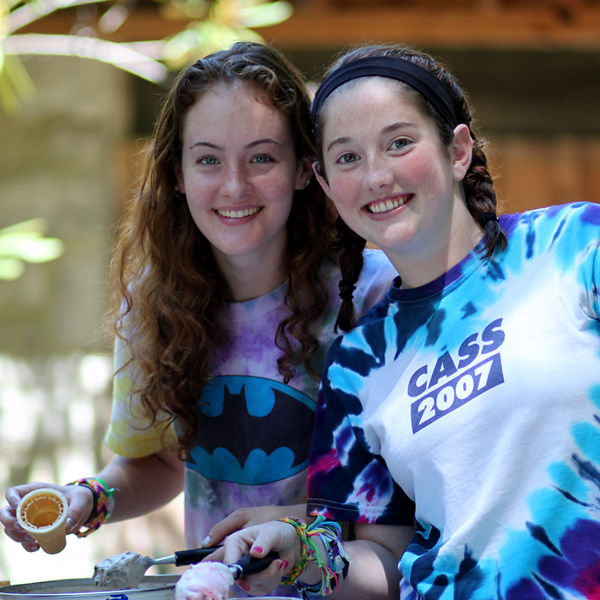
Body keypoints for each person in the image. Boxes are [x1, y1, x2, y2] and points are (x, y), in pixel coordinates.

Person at [0, 41, 396, 594]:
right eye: (208, 158)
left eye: (262, 157)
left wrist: (297, 525)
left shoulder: (373, 293)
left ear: (305, 169)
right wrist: (88, 498)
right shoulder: (152, 303)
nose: (234, 186)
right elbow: (159, 463)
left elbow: (404, 495)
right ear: (178, 173)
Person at [216, 43, 600, 600]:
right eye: (347, 158)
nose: (376, 176)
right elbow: (385, 556)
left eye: (399, 143)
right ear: (325, 185)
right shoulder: (355, 366)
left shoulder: (573, 244)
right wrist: (303, 553)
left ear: (458, 150)